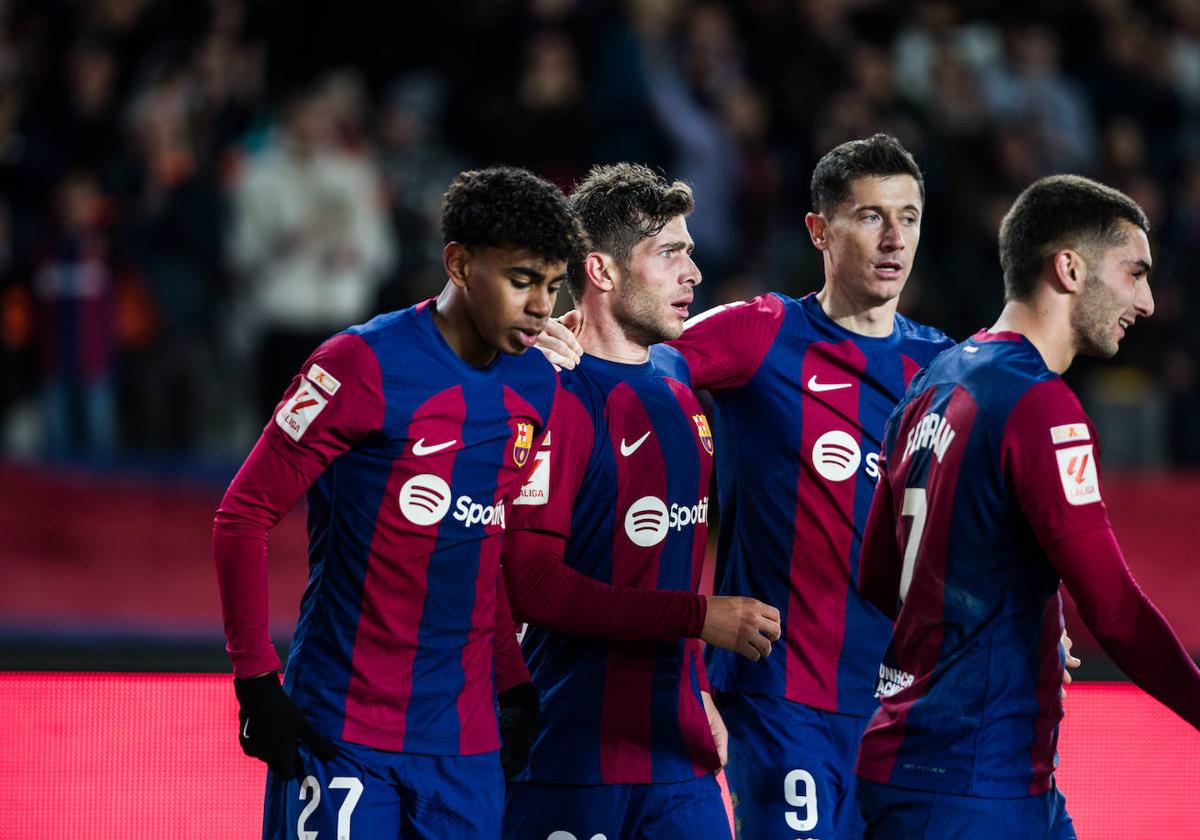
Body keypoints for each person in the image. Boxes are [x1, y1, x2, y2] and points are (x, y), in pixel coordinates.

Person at [213, 166, 588, 839]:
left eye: (554, 286)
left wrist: (512, 683)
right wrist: (255, 682)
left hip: (464, 745)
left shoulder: (537, 387)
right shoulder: (359, 364)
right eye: (523, 280)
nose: (541, 307)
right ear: (460, 262)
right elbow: (242, 515)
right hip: (343, 728)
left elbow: (484, 544)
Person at [855, 174, 1200, 836]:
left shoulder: (931, 385)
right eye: (1134, 273)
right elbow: (1117, 612)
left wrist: (1012, 616)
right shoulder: (1039, 405)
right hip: (972, 787)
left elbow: (879, 576)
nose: (1149, 301)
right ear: (1068, 268)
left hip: (951, 772)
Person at [501, 163, 782, 840]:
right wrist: (699, 618)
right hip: (571, 759)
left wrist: (696, 692)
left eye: (689, 251)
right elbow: (533, 586)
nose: (694, 273)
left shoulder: (682, 389)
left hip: (678, 759)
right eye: (669, 254)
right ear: (600, 271)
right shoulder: (553, 396)